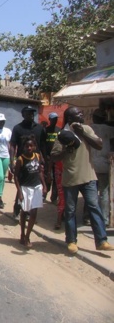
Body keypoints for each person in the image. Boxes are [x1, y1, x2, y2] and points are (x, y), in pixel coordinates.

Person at [51, 106, 113, 254]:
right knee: (70, 211)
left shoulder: (87, 129)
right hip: (71, 178)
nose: (81, 115)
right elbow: (53, 156)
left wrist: (82, 133)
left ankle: (101, 241)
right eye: (78, 114)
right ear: (71, 118)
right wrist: (67, 149)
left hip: (89, 177)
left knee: (94, 208)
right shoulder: (63, 134)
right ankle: (71, 241)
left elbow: (98, 145)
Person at [9, 106, 46, 218]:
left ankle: (28, 211)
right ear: (23, 114)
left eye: (32, 113)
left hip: (35, 160)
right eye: (28, 113)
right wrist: (12, 161)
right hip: (22, 161)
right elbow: (12, 146)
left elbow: (43, 146)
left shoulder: (39, 128)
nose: (30, 115)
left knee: (34, 185)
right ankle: (17, 207)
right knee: (21, 185)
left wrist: (44, 159)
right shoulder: (17, 128)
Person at [14, 135, 47, 248]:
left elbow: (39, 172)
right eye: (27, 146)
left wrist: (44, 185)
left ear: (34, 147)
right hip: (25, 188)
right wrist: (19, 192)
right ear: (23, 147)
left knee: (33, 213)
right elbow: (16, 177)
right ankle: (22, 233)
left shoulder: (37, 156)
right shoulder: (21, 159)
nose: (29, 148)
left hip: (36, 187)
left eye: (31, 146)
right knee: (24, 212)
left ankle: (28, 236)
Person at [90, 108, 114, 227]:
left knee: (92, 192)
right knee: (104, 192)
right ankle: (104, 219)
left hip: (91, 165)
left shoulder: (89, 128)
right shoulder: (108, 129)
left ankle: (90, 218)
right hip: (104, 165)